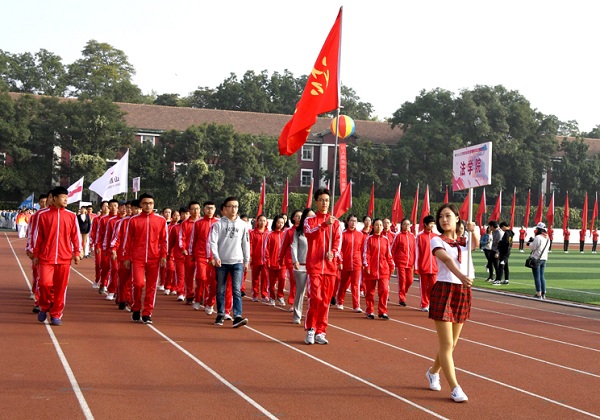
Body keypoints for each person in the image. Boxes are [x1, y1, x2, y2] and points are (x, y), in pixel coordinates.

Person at [425, 203, 479, 403]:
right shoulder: (436, 240)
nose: (443, 220)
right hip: (445, 289)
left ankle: (432, 372)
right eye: (441, 217)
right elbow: (447, 261)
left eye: (448, 216)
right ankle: (455, 388)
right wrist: (462, 275)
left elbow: (475, 245)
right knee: (446, 344)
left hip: (463, 292)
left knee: (453, 343)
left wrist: (474, 231)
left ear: (457, 218)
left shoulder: (465, 241)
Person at [32, 187, 82, 325]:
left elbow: (75, 236)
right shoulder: (43, 215)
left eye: (67, 197)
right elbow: (38, 237)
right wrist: (36, 254)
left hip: (64, 258)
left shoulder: (71, 216)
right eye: (63, 197)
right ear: (54, 198)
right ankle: (44, 305)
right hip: (46, 257)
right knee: (44, 284)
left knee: (60, 288)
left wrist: (77, 252)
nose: (66, 199)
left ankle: (56, 314)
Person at [303, 188, 341, 345]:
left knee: (325, 301)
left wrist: (333, 252)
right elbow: (309, 234)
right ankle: (311, 329)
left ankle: (321, 331)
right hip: (315, 266)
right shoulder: (310, 221)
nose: (325, 203)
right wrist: (324, 224)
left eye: (327, 200)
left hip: (330, 267)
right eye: (322, 200)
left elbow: (338, 241)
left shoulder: (336, 222)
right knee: (315, 298)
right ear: (316, 202)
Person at [123, 193, 168, 324]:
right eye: (145, 203)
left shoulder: (161, 220)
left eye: (150, 203)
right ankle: (136, 308)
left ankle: (147, 313)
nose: (148, 206)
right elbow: (128, 240)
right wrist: (126, 256)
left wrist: (164, 255)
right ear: (141, 204)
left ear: (153, 205)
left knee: (151, 287)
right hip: (138, 258)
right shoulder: (134, 220)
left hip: (154, 258)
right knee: (138, 284)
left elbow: (164, 240)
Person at [209, 196, 250, 328]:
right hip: (222, 262)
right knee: (220, 290)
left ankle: (237, 316)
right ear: (224, 209)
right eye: (230, 206)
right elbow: (213, 242)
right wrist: (216, 257)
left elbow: (246, 243)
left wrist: (246, 260)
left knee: (236, 290)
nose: (234, 209)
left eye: (236, 206)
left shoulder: (243, 225)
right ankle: (220, 313)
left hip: (237, 261)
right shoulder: (217, 225)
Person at [362, 218, 394, 320]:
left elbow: (388, 254)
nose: (379, 227)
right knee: (370, 292)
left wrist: (391, 265)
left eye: (381, 225)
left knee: (384, 290)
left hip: (383, 269)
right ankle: (370, 310)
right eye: (377, 225)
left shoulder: (385, 239)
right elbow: (366, 253)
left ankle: (382, 311)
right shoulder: (369, 239)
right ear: (373, 226)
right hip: (371, 269)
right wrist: (367, 265)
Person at [191, 201, 219, 314]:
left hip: (215, 256)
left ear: (215, 209)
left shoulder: (218, 223)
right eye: (207, 208)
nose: (209, 210)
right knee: (201, 278)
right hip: (201, 254)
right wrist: (192, 253)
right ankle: (198, 298)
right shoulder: (198, 223)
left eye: (211, 208)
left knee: (214, 282)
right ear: (204, 209)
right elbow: (194, 239)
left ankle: (210, 303)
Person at [290, 208, 315, 324]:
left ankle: (311, 316)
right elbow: (294, 246)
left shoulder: (318, 231)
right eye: (308, 216)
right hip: (301, 265)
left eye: (313, 216)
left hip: (314, 266)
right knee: (300, 292)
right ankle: (297, 315)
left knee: (314, 293)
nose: (311, 219)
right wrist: (295, 260)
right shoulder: (298, 231)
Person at [336, 214, 364, 312]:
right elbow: (340, 250)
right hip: (345, 263)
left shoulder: (360, 235)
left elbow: (363, 250)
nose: (353, 223)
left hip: (357, 263)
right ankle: (340, 301)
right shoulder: (343, 234)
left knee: (355, 285)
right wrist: (340, 261)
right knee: (343, 284)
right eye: (351, 221)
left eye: (355, 221)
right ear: (347, 222)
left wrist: (363, 262)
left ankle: (356, 305)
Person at [179, 201, 201, 305]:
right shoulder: (185, 224)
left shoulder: (203, 222)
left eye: (197, 208)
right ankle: (189, 295)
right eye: (193, 209)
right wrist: (183, 248)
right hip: (189, 253)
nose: (195, 211)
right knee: (189, 275)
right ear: (189, 210)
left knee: (202, 276)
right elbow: (181, 237)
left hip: (201, 253)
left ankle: (200, 295)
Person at [391, 218, 416, 307]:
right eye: (404, 224)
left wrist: (414, 262)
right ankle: (402, 298)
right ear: (401, 225)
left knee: (410, 280)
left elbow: (414, 250)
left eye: (408, 224)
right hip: (400, 262)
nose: (406, 226)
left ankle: (403, 292)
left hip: (410, 263)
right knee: (402, 280)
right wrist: (392, 263)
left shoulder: (412, 236)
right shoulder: (398, 236)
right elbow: (392, 250)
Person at [279, 210, 302, 305]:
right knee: (294, 281)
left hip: (304, 259)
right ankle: (293, 302)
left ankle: (298, 302)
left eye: (301, 216)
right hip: (291, 259)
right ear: (293, 218)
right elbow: (284, 245)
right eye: (297, 216)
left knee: (301, 283)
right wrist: (280, 258)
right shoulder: (289, 231)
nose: (299, 218)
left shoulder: (306, 230)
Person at [415, 215, 438, 312]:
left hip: (434, 267)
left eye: (433, 224)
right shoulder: (419, 237)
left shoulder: (436, 237)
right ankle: (424, 304)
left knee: (433, 286)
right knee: (423, 286)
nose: (432, 225)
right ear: (425, 224)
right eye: (431, 224)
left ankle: (430, 301)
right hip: (423, 267)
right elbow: (416, 252)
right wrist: (416, 267)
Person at [265, 214, 287, 306]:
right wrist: (268, 260)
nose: (280, 224)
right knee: (272, 282)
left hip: (282, 263)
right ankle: (272, 298)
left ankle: (280, 296)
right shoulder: (270, 235)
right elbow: (266, 249)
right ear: (275, 223)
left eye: (282, 223)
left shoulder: (285, 234)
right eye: (279, 222)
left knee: (282, 279)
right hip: (272, 263)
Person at [249, 215, 269, 302]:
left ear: (266, 222)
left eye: (264, 220)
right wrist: (250, 255)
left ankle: (264, 295)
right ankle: (255, 294)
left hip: (266, 259)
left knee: (265, 277)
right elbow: (250, 245)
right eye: (260, 220)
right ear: (257, 222)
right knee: (255, 277)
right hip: (256, 258)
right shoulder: (252, 233)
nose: (262, 222)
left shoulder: (269, 233)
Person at [527, 222, 550, 299]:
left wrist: (530, 243)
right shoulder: (547, 238)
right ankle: (543, 293)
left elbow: (533, 247)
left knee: (537, 277)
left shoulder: (538, 238)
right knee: (542, 276)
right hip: (544, 258)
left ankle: (538, 293)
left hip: (537, 258)